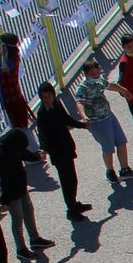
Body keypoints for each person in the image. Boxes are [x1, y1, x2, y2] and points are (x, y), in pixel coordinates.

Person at [0, 131, 54, 263]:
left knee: (29, 210)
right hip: (11, 193)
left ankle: (35, 239)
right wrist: (4, 201)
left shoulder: (13, 144)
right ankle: (21, 248)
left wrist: (36, 156)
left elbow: (23, 153)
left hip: (20, 185)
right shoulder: (0, 155)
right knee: (18, 219)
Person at [34, 82, 93, 221]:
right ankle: (71, 209)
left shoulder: (57, 104)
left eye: (49, 95)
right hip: (57, 152)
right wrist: (43, 148)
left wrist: (82, 125)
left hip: (66, 146)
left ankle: (74, 203)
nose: (47, 99)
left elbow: (67, 120)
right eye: (44, 97)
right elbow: (41, 133)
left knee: (72, 178)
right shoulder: (42, 113)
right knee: (66, 181)